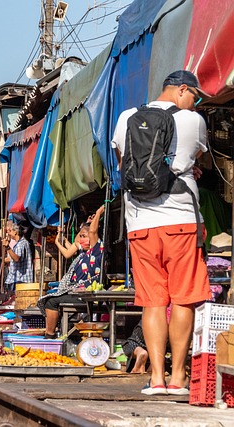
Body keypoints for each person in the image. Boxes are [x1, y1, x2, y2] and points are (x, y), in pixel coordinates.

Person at [112, 70, 211, 396]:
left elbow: (123, 163)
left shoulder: (127, 116)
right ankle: (178, 377)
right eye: (193, 96)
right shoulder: (192, 120)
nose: (194, 103)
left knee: (153, 302)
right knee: (183, 299)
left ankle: (155, 378)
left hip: (140, 225)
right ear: (182, 89)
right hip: (180, 222)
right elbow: (194, 158)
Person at [37, 205, 105, 339]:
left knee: (51, 301)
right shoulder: (84, 252)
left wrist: (99, 212)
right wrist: (60, 237)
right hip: (75, 292)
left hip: (85, 295)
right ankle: (57, 331)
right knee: (52, 300)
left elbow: (92, 232)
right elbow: (73, 244)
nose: (81, 239)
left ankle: (49, 335)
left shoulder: (97, 250)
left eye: (84, 236)